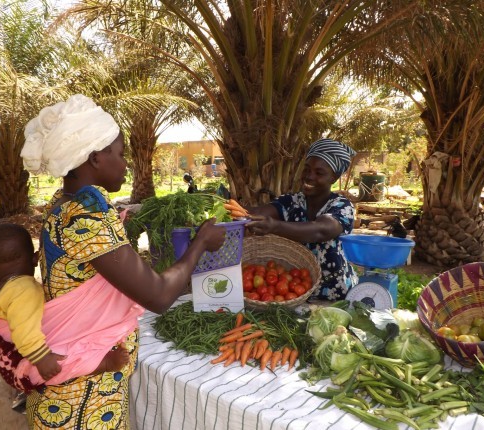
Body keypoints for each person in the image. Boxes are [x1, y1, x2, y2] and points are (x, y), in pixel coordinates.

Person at [18, 94, 225, 429]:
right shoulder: (86, 217)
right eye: (121, 153)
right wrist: (200, 243)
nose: (126, 163)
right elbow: (158, 295)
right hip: (82, 401)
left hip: (75, 381)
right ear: (96, 157)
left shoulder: (64, 204)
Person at [0, 223, 132, 392]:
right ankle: (104, 364)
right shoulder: (25, 290)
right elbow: (24, 330)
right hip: (22, 366)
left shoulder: (2, 288)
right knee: (61, 365)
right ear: (36, 259)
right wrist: (41, 359)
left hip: (9, 353)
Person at [244, 138, 359, 301]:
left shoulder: (342, 206)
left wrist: (274, 226)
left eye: (319, 173)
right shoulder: (292, 201)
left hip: (335, 294)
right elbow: (259, 212)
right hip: (294, 293)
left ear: (333, 178)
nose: (309, 176)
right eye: (306, 169)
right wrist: (226, 210)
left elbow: (321, 230)